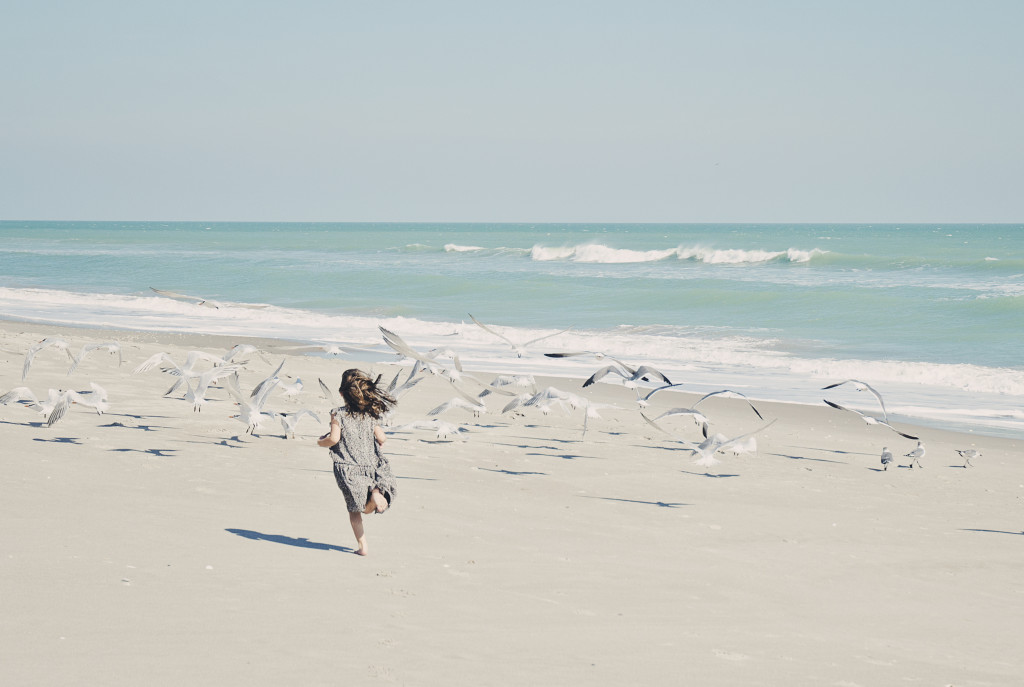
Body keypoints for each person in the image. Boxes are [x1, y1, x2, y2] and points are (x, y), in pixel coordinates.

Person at [317, 369, 397, 556]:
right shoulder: (370, 414)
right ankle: (376, 491)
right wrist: (378, 442)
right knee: (368, 505)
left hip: (348, 468)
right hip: (373, 465)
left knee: (355, 510)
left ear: (342, 393)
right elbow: (382, 437)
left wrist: (321, 442)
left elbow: (334, 439)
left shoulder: (338, 414)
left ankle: (363, 547)